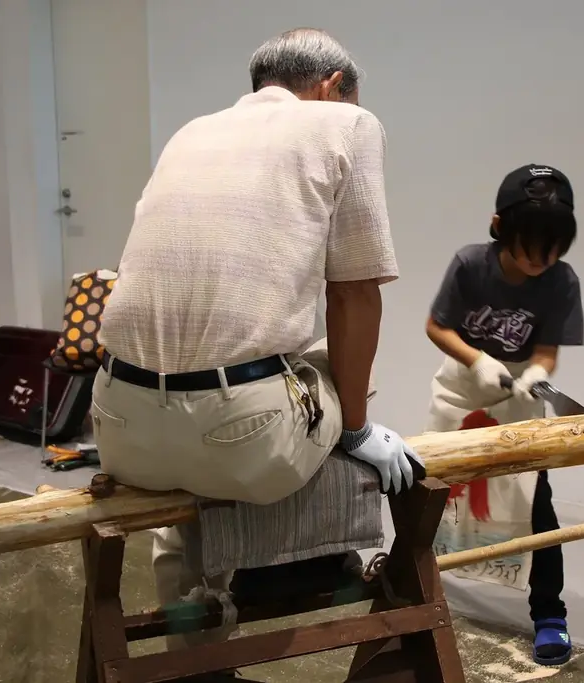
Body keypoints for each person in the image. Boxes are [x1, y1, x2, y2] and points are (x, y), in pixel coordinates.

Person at [93, 27, 423, 644]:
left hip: (120, 427)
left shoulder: (191, 132)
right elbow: (354, 292)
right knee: (332, 364)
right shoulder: (347, 125)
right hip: (244, 444)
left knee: (191, 444)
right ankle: (323, 562)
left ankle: (192, 637)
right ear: (333, 88)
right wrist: (357, 430)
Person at [424, 164, 583, 665]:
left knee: (536, 503)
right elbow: (436, 326)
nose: (541, 261)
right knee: (432, 494)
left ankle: (550, 614)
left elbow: (549, 350)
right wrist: (480, 359)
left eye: (552, 251)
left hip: (518, 402)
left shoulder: (561, 280)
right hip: (461, 392)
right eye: (530, 249)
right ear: (500, 228)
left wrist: (536, 371)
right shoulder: (470, 265)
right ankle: (414, 589)